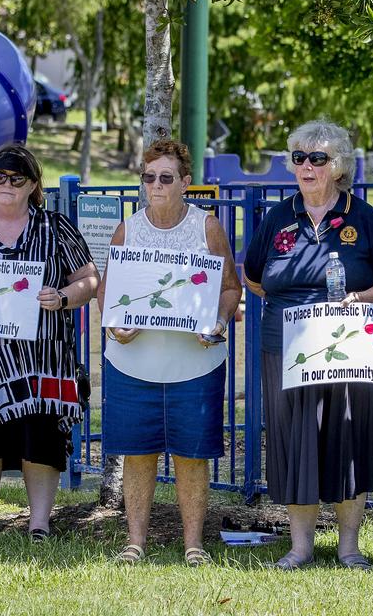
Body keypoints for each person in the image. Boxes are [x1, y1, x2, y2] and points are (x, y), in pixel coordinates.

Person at [244, 120, 373, 570]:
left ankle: (348, 547)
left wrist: (359, 297)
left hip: (349, 347)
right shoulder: (278, 216)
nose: (307, 167)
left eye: (318, 159)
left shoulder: (363, 216)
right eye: (299, 158)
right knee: (295, 443)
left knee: (347, 441)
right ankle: (300, 547)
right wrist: (294, 312)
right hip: (286, 349)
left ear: (338, 166)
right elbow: (254, 277)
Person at [0, 144, 99, 546]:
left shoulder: (56, 227)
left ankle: (40, 524)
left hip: (41, 357)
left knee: (39, 439)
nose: (6, 184)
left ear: (33, 185)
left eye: (17, 178)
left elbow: (90, 279)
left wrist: (62, 297)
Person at [95, 139, 242, 567]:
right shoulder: (128, 228)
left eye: (165, 177)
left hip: (194, 364)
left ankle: (193, 545)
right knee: (137, 455)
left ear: (185, 183)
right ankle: (134, 543)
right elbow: (109, 290)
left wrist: (217, 321)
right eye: (148, 177)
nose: (155, 185)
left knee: (191, 458)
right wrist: (115, 323)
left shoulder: (206, 227)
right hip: (133, 363)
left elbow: (230, 288)